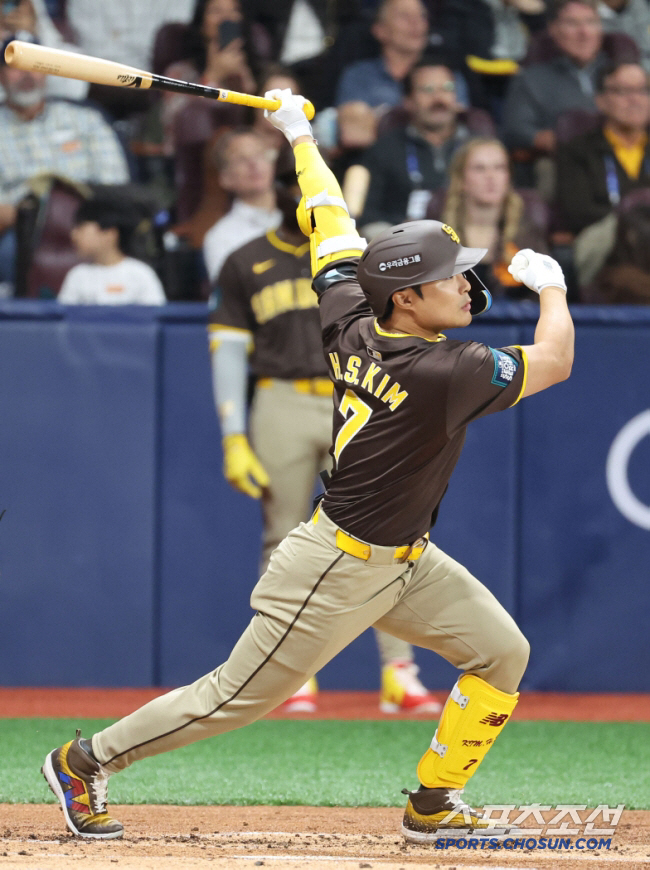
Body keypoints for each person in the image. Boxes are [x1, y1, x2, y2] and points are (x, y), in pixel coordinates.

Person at [41, 88, 574, 844]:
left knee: (502, 653)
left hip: (403, 561)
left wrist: (298, 134)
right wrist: (550, 284)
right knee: (232, 697)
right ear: (409, 296)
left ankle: (432, 802)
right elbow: (554, 359)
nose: (465, 283)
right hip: (336, 566)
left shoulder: (351, 311)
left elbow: (327, 218)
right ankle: (82, 760)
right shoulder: (440, 371)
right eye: (450, 276)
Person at [209, 182, 441, 713]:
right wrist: (233, 436)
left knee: (385, 536)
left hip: (362, 394)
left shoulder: (360, 255)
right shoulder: (248, 259)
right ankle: (293, 673)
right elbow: (226, 348)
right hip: (282, 397)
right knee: (284, 537)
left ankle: (398, 670)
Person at [0, 36, 130, 293]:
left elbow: (115, 184)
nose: (28, 74)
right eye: (17, 66)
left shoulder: (86, 119)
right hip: (21, 229)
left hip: (90, 220)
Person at [357, 58, 478, 234]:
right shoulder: (385, 149)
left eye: (447, 88)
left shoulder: (477, 147)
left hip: (469, 237)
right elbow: (367, 214)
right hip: (405, 245)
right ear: (408, 101)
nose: (438, 98)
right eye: (428, 90)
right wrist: (400, 230)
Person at [439, 137, 547, 297]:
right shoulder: (439, 238)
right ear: (461, 180)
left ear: (508, 177)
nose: (491, 176)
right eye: (479, 168)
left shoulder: (527, 236)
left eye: (499, 168)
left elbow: (546, 292)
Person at [502, 0, 610, 157]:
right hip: (559, 163)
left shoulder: (620, 75)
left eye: (591, 22)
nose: (584, 32)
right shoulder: (532, 79)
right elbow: (516, 131)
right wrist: (554, 139)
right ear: (553, 29)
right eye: (572, 23)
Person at [556, 60, 650, 234]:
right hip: (604, 237)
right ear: (600, 100)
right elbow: (579, 213)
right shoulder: (578, 150)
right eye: (623, 91)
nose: (635, 99)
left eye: (643, 90)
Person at [202, 128, 282, 284]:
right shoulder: (220, 238)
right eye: (241, 159)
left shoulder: (307, 214)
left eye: (259, 154)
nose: (254, 164)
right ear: (225, 178)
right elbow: (233, 298)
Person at [58, 198, 166, 305]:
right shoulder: (77, 276)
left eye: (80, 228)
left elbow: (155, 317)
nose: (74, 235)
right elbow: (63, 318)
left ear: (110, 234)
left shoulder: (140, 274)